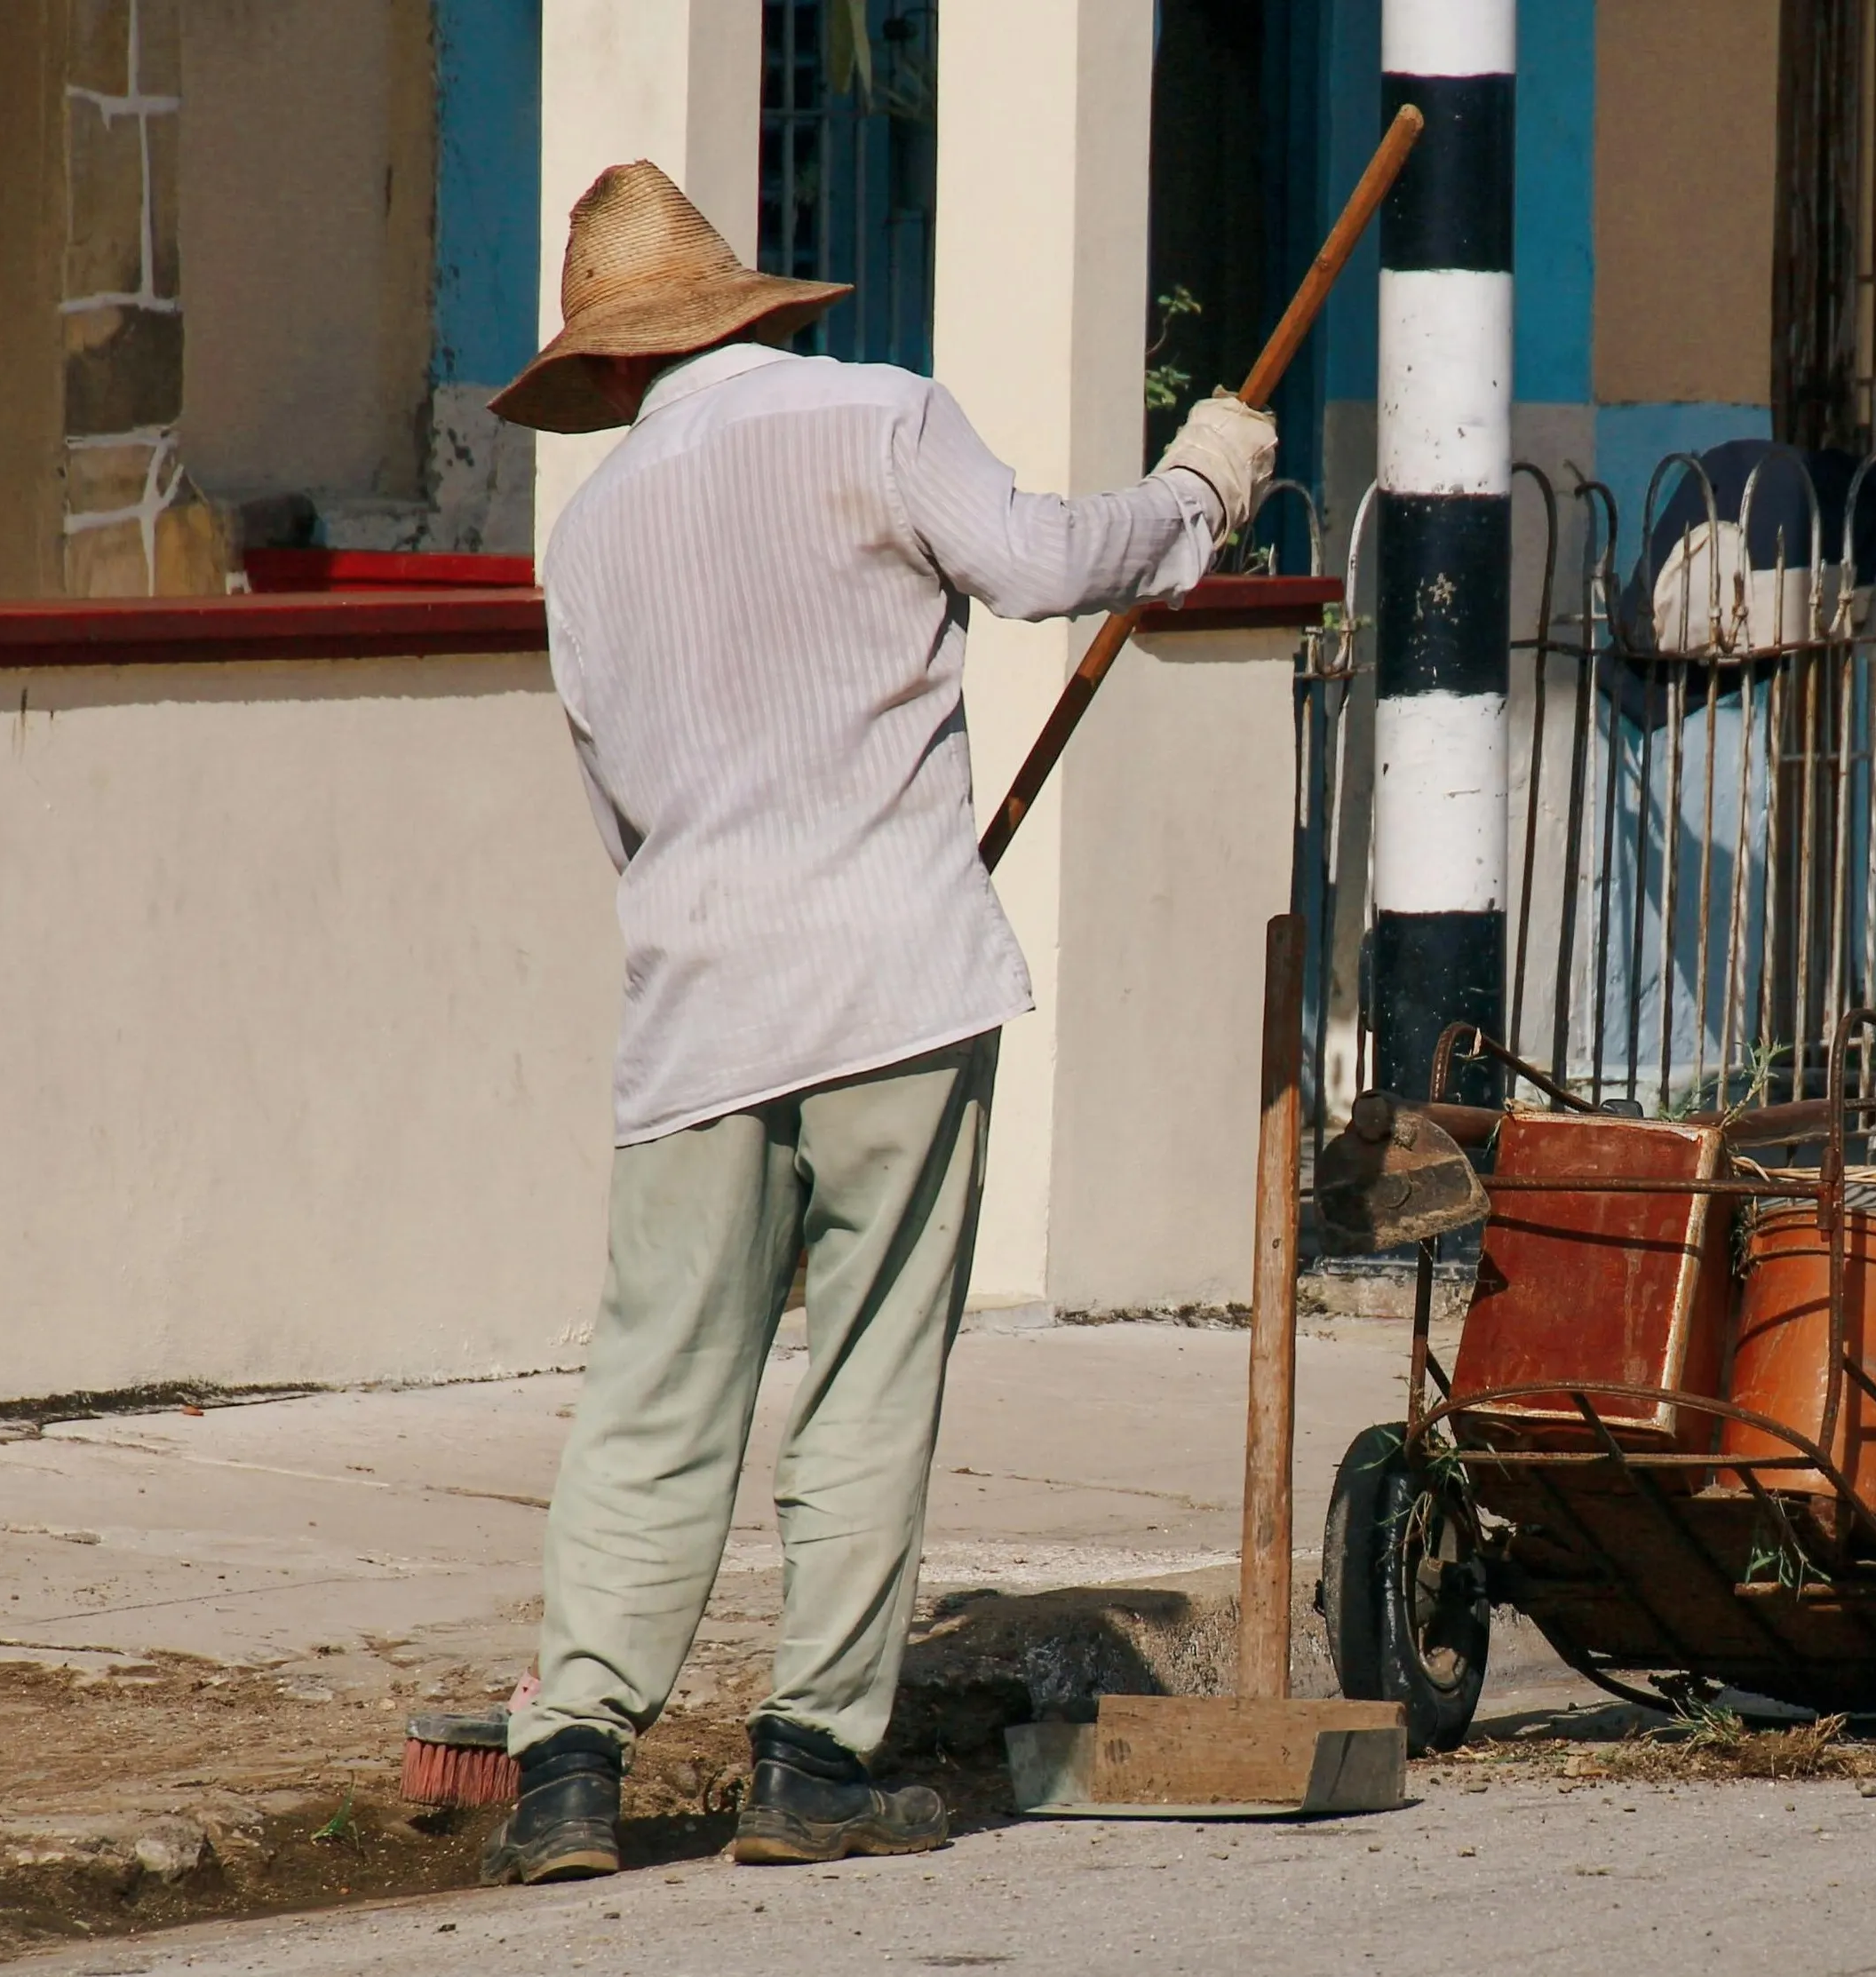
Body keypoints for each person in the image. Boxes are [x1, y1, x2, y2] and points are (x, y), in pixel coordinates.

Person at [477, 161, 1275, 1884]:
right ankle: (808, 1762)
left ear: (611, 370)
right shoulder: (878, 418)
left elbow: (616, 806)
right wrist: (1196, 491)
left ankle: (566, 1770)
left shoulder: (590, 537)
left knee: (654, 1386)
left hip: (695, 1010)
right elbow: (1048, 564)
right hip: (891, 985)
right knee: (863, 1373)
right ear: (738, 309)